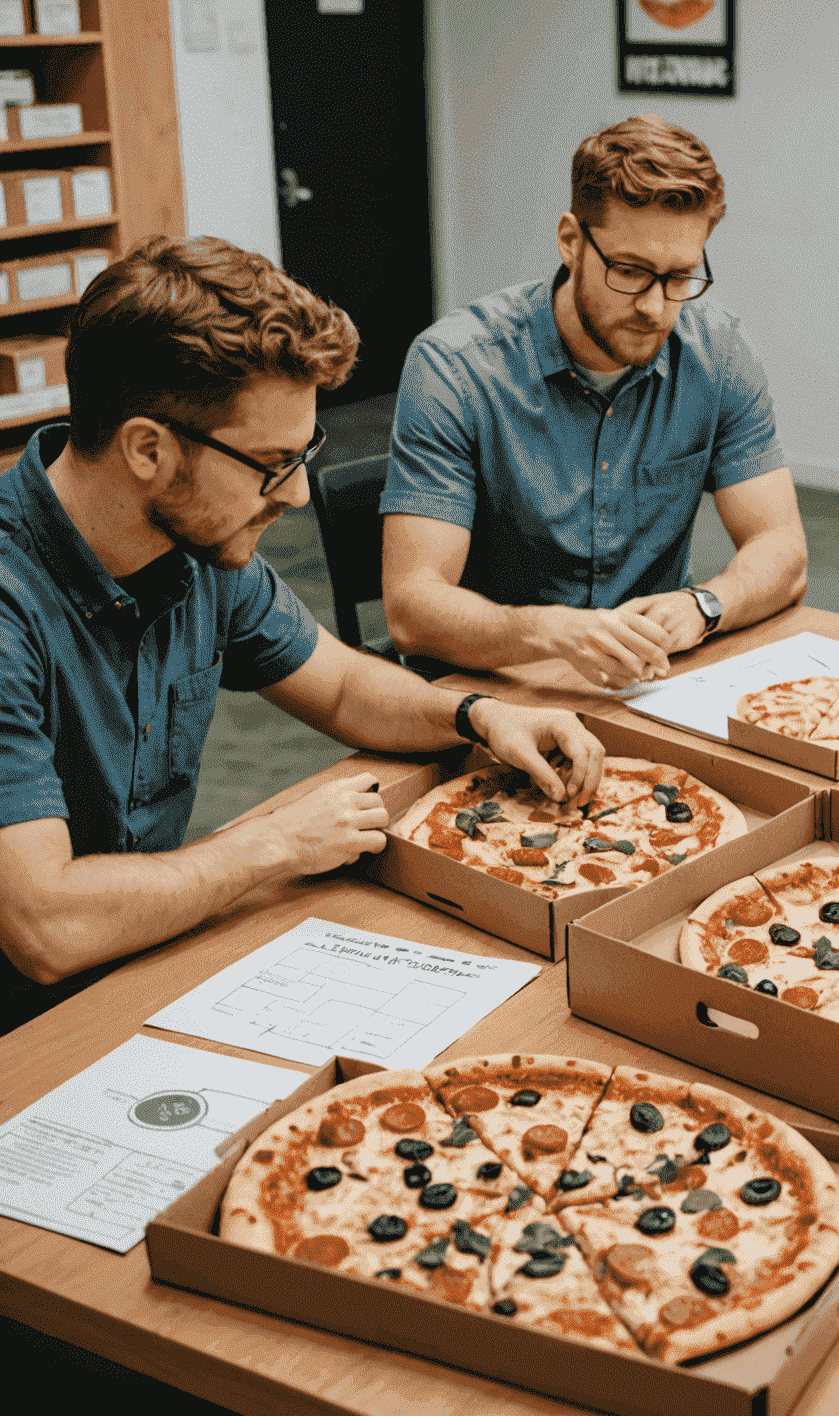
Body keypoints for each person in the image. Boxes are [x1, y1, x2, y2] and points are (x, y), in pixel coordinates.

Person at [0, 236, 604, 1030]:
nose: (291, 496)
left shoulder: (197, 548)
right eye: (271, 463)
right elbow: (48, 928)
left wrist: (477, 715)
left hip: (141, 951)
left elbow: (348, 686)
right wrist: (273, 845)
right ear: (147, 448)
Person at [380, 114, 807, 687]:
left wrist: (704, 605)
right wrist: (557, 632)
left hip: (641, 685)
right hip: (492, 689)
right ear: (572, 242)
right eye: (630, 272)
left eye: (680, 277)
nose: (655, 308)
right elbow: (412, 608)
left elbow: (782, 549)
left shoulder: (717, 355)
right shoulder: (456, 367)